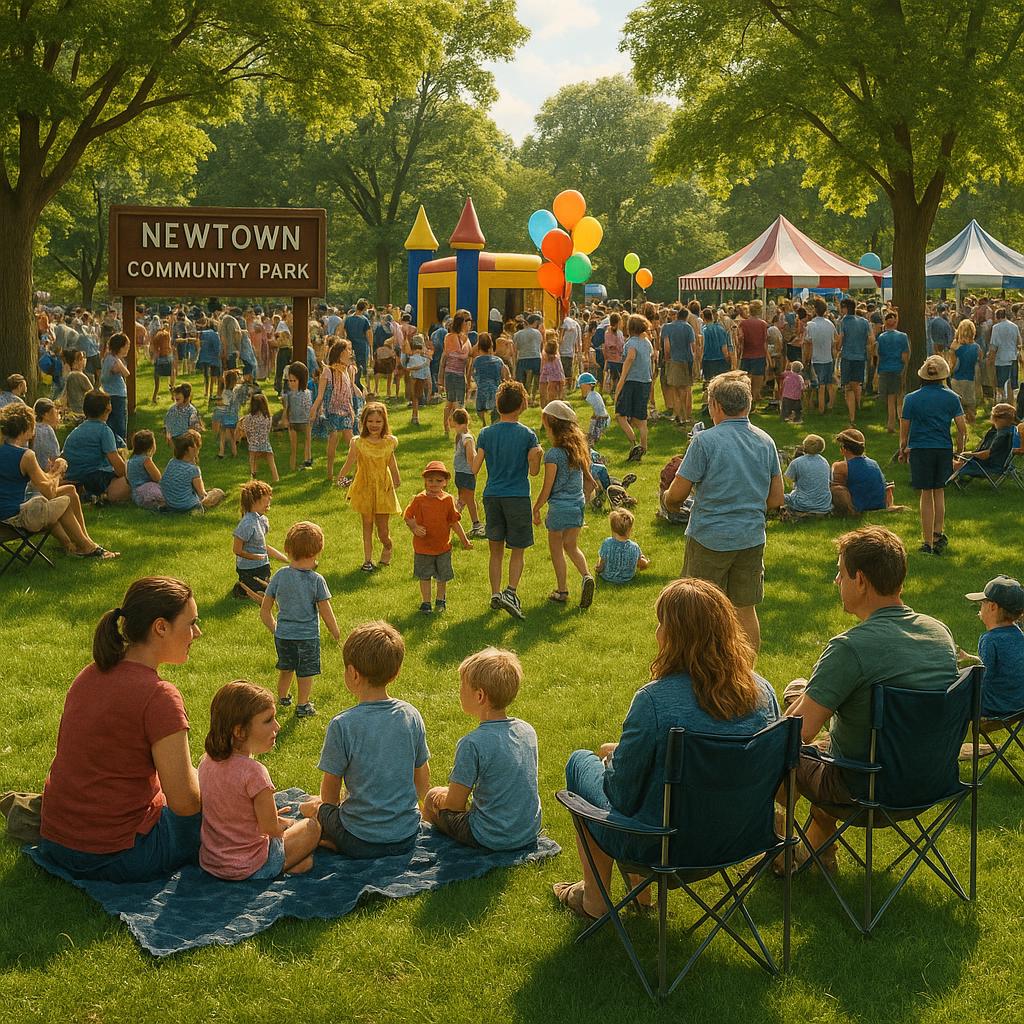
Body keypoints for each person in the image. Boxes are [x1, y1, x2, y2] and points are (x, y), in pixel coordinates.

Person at [553, 578, 780, 919]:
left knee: (580, 762)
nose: (657, 632)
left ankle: (595, 899)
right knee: (638, 771)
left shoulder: (654, 701)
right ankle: (641, 898)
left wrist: (613, 758)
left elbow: (621, 794)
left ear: (676, 636)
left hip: (661, 845)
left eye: (662, 624)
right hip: (741, 836)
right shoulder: (764, 692)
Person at [779, 527, 958, 872]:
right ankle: (812, 855)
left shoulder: (849, 648)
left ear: (859, 580)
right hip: (931, 780)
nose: (836, 581)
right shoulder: (940, 633)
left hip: (862, 788)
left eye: (840, 573)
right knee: (814, 719)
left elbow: (796, 736)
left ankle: (774, 835)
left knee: (784, 749)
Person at [38, 578, 203, 881]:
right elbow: (185, 803)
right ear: (161, 627)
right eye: (191, 623)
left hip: (57, 841)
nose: (197, 633)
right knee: (225, 810)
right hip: (118, 855)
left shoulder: (90, 674)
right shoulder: (159, 696)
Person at [662, 372, 784, 652]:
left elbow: (678, 494)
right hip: (751, 537)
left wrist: (668, 501)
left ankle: (696, 670)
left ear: (715, 406)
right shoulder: (765, 441)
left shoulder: (705, 441)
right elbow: (776, 498)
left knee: (695, 609)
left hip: (709, 538)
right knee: (745, 609)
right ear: (748, 405)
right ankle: (747, 675)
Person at [299, 621, 431, 858]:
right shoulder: (411, 715)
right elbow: (422, 778)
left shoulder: (343, 725)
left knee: (310, 806)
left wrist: (328, 815)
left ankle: (329, 839)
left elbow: (330, 791)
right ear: (396, 672)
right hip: (407, 835)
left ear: (353, 673)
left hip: (358, 840)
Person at [199, 682, 322, 879]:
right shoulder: (255, 772)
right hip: (252, 865)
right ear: (239, 731)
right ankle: (283, 866)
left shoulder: (206, 762)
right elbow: (270, 829)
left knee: (304, 859)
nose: (278, 726)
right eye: (268, 721)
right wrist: (285, 823)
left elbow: (230, 814)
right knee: (312, 827)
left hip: (213, 864)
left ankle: (294, 863)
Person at [422, 647, 542, 850]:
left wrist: (440, 798)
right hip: (528, 830)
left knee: (433, 795)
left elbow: (454, 805)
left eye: (462, 686)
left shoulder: (472, 743)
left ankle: (424, 844)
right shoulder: (527, 730)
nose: (459, 691)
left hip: (490, 836)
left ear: (479, 696)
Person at [0, 402, 118, 558]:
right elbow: (48, 492)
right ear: (27, 427)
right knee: (64, 501)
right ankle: (87, 548)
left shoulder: (7, 450)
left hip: (6, 511)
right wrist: (60, 469)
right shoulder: (25, 456)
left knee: (69, 490)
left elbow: (40, 481)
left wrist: (52, 473)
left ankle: (79, 543)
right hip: (12, 518)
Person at [471, 380, 543, 620]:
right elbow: (533, 472)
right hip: (518, 496)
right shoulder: (528, 435)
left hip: (492, 495)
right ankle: (510, 592)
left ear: (498, 406)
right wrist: (536, 457)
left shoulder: (486, 433)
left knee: (496, 551)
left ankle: (494, 594)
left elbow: (475, 467)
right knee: (518, 551)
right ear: (522, 405)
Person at [260, 520, 341, 718]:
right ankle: (302, 705)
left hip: (284, 636)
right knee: (305, 673)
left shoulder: (279, 576)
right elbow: (325, 611)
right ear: (316, 552)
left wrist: (275, 628)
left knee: (286, 668)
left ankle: (282, 697)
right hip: (307, 637)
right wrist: (335, 632)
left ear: (287, 549)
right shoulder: (316, 580)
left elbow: (265, 610)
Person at [899, 355, 966, 554]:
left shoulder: (910, 399)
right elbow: (962, 428)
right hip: (943, 448)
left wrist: (903, 449)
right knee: (939, 492)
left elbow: (904, 431)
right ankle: (938, 534)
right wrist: (960, 450)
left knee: (925, 494)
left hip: (920, 449)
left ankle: (927, 542)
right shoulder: (952, 397)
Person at [532, 401, 596, 608]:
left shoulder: (553, 454)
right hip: (577, 506)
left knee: (557, 549)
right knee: (572, 546)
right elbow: (590, 482)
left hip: (559, 509)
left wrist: (536, 507)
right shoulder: (578, 451)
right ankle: (586, 576)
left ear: (550, 424)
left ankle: (562, 591)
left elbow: (548, 487)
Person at [336, 401, 402, 572]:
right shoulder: (358, 442)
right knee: (367, 523)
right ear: (364, 422)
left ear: (384, 422)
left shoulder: (388, 442)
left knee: (382, 531)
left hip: (383, 488)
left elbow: (392, 464)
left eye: (378, 422)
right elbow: (349, 461)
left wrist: (396, 480)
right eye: (370, 421)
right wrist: (341, 477)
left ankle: (387, 546)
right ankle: (367, 560)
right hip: (364, 486)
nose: (374, 425)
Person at [403, 459, 472, 614]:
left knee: (442, 576)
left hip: (442, 547)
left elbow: (454, 522)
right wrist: (414, 527)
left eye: (438, 481)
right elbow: (407, 515)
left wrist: (464, 540)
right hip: (423, 547)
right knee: (425, 576)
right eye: (430, 480)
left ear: (445, 482)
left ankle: (440, 601)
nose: (434, 484)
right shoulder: (419, 499)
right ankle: (426, 603)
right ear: (425, 481)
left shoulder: (447, 500)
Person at [961, 576, 1024, 719]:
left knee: (953, 697)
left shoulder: (990, 639)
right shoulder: (1020, 636)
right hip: (1019, 705)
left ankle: (947, 740)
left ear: (993, 607)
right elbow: (1008, 665)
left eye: (982, 603)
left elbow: (983, 679)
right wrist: (973, 659)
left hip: (995, 707)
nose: (980, 607)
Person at [62, 390, 132, 503]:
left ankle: (90, 494)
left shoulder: (75, 432)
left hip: (74, 477)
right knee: (134, 478)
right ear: (108, 409)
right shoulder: (104, 431)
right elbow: (119, 468)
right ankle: (101, 496)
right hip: (94, 478)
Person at [309, 341, 356, 483]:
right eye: (348, 350)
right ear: (341, 353)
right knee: (333, 438)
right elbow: (321, 395)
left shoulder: (347, 371)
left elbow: (349, 392)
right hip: (331, 411)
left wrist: (352, 410)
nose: (350, 353)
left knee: (352, 442)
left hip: (346, 411)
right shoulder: (328, 371)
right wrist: (313, 410)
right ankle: (329, 473)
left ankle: (357, 471)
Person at [233, 479, 287, 599]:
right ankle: (241, 588)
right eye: (266, 497)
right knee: (262, 593)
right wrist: (254, 557)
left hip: (263, 565)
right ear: (254, 501)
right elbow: (237, 549)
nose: (270, 499)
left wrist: (287, 559)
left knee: (270, 590)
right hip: (249, 568)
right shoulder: (247, 524)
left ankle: (255, 587)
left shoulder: (262, 520)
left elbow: (263, 546)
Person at [614, 314, 655, 462]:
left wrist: (620, 383)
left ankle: (634, 443)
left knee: (620, 415)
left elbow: (630, 358)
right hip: (645, 381)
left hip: (631, 381)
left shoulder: (631, 343)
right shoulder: (647, 343)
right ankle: (643, 448)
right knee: (642, 420)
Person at [829, 427, 892, 516]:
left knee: (835, 489)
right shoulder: (874, 463)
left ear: (844, 449)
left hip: (858, 507)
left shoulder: (840, 466)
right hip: (878, 506)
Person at [950, 402, 1019, 482]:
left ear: (996, 419)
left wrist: (969, 454)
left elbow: (986, 455)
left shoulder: (1001, 435)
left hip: (986, 467)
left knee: (944, 461)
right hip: (994, 464)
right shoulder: (1010, 430)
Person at [160, 430, 225, 512]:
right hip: (187, 506)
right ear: (191, 449)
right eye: (198, 448)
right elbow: (202, 494)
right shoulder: (193, 469)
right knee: (218, 492)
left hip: (170, 504)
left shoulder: (172, 462)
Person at [451, 408, 485, 537]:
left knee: (464, 500)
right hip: (464, 474)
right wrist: (473, 470)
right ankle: (474, 524)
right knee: (467, 500)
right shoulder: (465, 437)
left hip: (463, 473)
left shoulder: (466, 438)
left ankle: (451, 521)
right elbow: (470, 457)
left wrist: (473, 469)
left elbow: (470, 456)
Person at [875, 311, 910, 432]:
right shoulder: (903, 337)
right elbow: (905, 356)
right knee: (900, 398)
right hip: (898, 369)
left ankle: (890, 424)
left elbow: (878, 355)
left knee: (890, 399)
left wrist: (877, 372)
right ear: (895, 322)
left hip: (884, 369)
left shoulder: (881, 337)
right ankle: (902, 424)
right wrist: (905, 371)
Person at [662, 306, 697, 425]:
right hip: (685, 360)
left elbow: (666, 346)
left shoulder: (666, 327)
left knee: (674, 389)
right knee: (684, 389)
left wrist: (667, 358)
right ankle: (684, 415)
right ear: (686, 317)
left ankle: (677, 413)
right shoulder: (688, 328)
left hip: (672, 360)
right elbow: (692, 346)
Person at [837, 298, 870, 425]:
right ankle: (858, 406)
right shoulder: (864, 322)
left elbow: (841, 339)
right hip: (860, 357)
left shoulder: (843, 321)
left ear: (845, 308)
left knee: (848, 387)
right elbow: (870, 339)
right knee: (857, 384)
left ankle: (852, 416)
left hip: (847, 357)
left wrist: (837, 347)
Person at [802, 298, 838, 415]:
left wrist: (806, 359)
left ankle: (819, 408)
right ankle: (830, 405)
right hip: (828, 358)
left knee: (817, 385)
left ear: (814, 309)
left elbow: (808, 344)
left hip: (815, 358)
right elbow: (834, 342)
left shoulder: (810, 325)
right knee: (827, 384)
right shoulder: (830, 324)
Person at [596, 508, 649, 584]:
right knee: (640, 557)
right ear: (629, 530)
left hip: (607, 577)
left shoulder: (607, 543)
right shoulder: (634, 547)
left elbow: (601, 564)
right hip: (627, 578)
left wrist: (597, 569)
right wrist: (646, 563)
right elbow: (641, 563)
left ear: (612, 528)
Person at [783, 434, 833, 514]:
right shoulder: (825, 462)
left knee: (781, 496)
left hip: (802, 504)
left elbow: (788, 482)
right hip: (824, 505)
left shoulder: (797, 462)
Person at [441, 310, 472, 438]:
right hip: (452, 373)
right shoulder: (450, 337)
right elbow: (450, 353)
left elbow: (469, 356)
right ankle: (459, 429)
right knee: (455, 402)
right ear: (461, 322)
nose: (469, 323)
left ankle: (450, 427)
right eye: (467, 321)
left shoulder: (465, 338)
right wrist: (463, 355)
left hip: (460, 373)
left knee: (453, 402)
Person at [237, 392, 279, 483]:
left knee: (253, 461)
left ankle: (253, 477)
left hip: (253, 445)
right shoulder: (268, 417)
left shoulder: (248, 418)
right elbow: (268, 430)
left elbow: (245, 430)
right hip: (265, 443)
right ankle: (276, 478)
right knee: (272, 463)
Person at [469, 333, 507, 426]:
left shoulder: (476, 361)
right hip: (495, 391)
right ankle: (494, 425)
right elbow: (504, 376)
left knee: (480, 410)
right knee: (496, 413)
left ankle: (484, 423)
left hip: (482, 390)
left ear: (479, 346)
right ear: (491, 345)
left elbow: (470, 374)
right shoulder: (498, 361)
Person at [738, 300, 769, 409]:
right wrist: (768, 359)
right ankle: (753, 402)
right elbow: (765, 342)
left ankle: (746, 403)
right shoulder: (763, 324)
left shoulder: (743, 323)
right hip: (759, 355)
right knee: (757, 382)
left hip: (746, 355)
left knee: (745, 382)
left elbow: (740, 340)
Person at [949, 318, 981, 424]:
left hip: (957, 379)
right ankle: (972, 424)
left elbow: (952, 365)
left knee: (958, 407)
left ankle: (961, 429)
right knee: (971, 405)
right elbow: (979, 361)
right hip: (970, 378)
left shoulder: (955, 347)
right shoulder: (977, 347)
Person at [100, 333, 131, 445]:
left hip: (110, 393)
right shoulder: (113, 360)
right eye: (127, 347)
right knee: (119, 424)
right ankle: (120, 446)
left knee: (111, 422)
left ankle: (112, 444)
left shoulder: (108, 358)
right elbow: (126, 373)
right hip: (117, 395)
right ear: (120, 347)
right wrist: (119, 360)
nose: (128, 349)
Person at [126, 429, 165, 510]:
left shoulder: (130, 460)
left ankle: (157, 506)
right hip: (147, 490)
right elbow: (158, 478)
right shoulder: (146, 460)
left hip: (136, 495)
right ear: (151, 447)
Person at [989, 306, 1021, 399]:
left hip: (1001, 358)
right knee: (1012, 384)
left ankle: (1003, 402)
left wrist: (990, 358)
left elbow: (993, 345)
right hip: (1013, 357)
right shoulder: (1014, 326)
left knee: (1001, 384)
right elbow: (1019, 342)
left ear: (997, 317)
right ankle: (1012, 402)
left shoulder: (996, 328)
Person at [513, 314, 543, 399]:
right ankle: (533, 397)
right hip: (536, 358)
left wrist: (515, 363)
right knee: (535, 380)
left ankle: (524, 397)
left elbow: (515, 350)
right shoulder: (538, 333)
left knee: (523, 381)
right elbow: (541, 347)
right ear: (536, 322)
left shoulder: (517, 334)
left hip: (523, 358)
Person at [576, 372, 609, 444]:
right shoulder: (595, 394)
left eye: (581, 386)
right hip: (603, 418)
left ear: (588, 385)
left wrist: (591, 427)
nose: (581, 388)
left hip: (601, 420)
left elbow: (596, 413)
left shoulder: (590, 397)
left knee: (592, 438)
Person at [539, 335, 566, 406]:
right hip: (556, 379)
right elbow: (560, 371)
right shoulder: (557, 359)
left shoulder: (544, 358)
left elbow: (542, 369)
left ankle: (544, 408)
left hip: (545, 379)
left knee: (544, 395)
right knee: (555, 396)